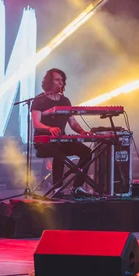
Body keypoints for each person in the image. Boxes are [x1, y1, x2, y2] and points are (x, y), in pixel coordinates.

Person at [31, 68, 92, 197]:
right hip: (43, 143)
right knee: (59, 153)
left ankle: (77, 186)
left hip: (61, 140)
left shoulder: (65, 101)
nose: (61, 83)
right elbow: (36, 123)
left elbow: (72, 122)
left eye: (62, 80)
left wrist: (82, 131)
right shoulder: (39, 100)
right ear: (49, 81)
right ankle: (57, 188)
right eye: (57, 80)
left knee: (86, 152)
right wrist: (49, 129)